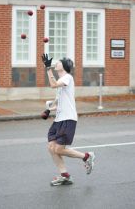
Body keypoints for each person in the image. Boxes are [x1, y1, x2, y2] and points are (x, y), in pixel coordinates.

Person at [42, 53, 95, 186]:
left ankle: (87, 157)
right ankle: (64, 175)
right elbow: (61, 101)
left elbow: (53, 84)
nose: (56, 63)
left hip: (68, 119)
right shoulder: (62, 82)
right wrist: (51, 108)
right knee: (51, 147)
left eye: (58, 62)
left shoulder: (67, 78)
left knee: (59, 149)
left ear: (64, 66)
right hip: (59, 120)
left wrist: (48, 68)